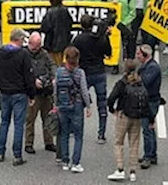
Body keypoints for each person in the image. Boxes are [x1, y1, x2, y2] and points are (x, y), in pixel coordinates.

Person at [0, 27, 36, 165]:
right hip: (19, 93)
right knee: (18, 124)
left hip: (4, 92)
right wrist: (31, 95)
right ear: (20, 39)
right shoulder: (23, 55)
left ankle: (0, 152)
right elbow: (29, 76)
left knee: (4, 122)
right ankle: (17, 155)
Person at [72, 13, 113, 143]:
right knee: (102, 103)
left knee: (78, 101)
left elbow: (73, 56)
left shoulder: (78, 39)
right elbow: (109, 53)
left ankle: (76, 129)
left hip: (84, 73)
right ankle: (101, 134)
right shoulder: (101, 38)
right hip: (99, 72)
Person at [105, 59, 148, 182]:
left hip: (124, 115)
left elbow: (111, 98)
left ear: (125, 69)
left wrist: (112, 109)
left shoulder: (122, 83)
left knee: (119, 142)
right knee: (134, 143)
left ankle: (120, 169)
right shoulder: (140, 82)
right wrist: (150, 118)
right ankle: (133, 171)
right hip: (137, 116)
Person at [53, 45, 92, 174]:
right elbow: (84, 91)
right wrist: (88, 106)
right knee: (78, 135)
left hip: (62, 106)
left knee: (64, 133)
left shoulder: (59, 72)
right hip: (76, 105)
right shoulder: (80, 73)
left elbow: (55, 90)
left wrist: (55, 104)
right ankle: (76, 163)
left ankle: (65, 160)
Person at [24, 31, 59, 155]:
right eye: (34, 46)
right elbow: (21, 72)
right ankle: (28, 143)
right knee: (30, 119)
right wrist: (33, 81)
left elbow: (52, 65)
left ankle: (48, 142)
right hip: (32, 92)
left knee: (47, 117)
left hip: (46, 91)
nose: (36, 48)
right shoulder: (24, 55)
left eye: (38, 46)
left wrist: (54, 77)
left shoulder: (44, 54)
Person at [136, 44, 163, 169]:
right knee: (149, 129)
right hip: (149, 100)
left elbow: (144, 82)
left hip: (150, 101)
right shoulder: (147, 66)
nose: (137, 56)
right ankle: (152, 154)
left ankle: (148, 156)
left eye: (139, 54)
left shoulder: (153, 68)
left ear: (145, 55)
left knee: (147, 129)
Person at [42, 0, 74, 66]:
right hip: (65, 43)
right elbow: (70, 23)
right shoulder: (65, 10)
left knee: (54, 66)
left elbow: (44, 27)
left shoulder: (50, 12)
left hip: (52, 44)